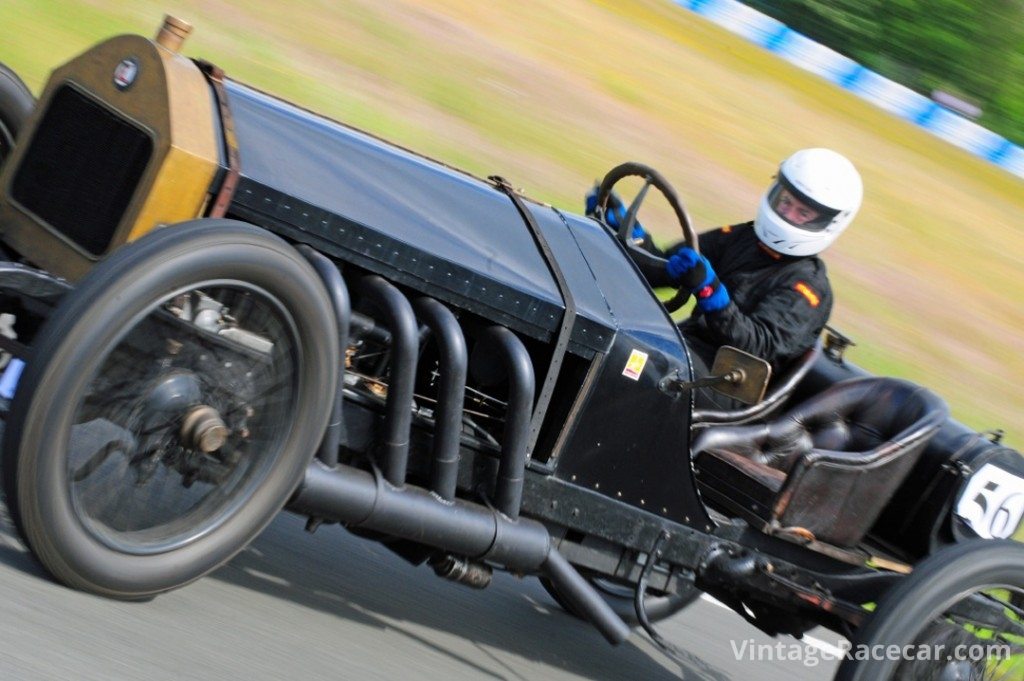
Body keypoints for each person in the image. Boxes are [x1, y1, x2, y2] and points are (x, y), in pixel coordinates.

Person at [588, 148, 863, 409]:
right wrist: (629, 235)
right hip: (685, 349)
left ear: (829, 223)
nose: (787, 214)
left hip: (727, 384)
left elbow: (756, 348)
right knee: (601, 333)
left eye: (803, 213)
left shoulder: (808, 288)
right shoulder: (741, 237)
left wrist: (710, 292)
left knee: (628, 361)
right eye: (786, 202)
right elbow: (662, 267)